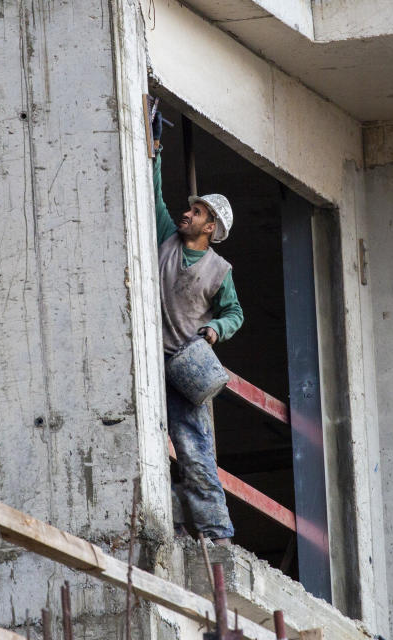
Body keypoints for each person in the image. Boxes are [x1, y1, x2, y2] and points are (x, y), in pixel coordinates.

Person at [152, 111, 243, 545]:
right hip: (153, 364)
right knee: (152, 446)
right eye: (190, 208)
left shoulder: (218, 270)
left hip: (185, 370)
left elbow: (234, 314)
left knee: (193, 450)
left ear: (212, 228)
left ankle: (216, 532)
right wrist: (155, 154)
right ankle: (173, 520)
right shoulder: (168, 238)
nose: (188, 214)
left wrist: (214, 332)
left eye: (198, 211)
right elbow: (154, 200)